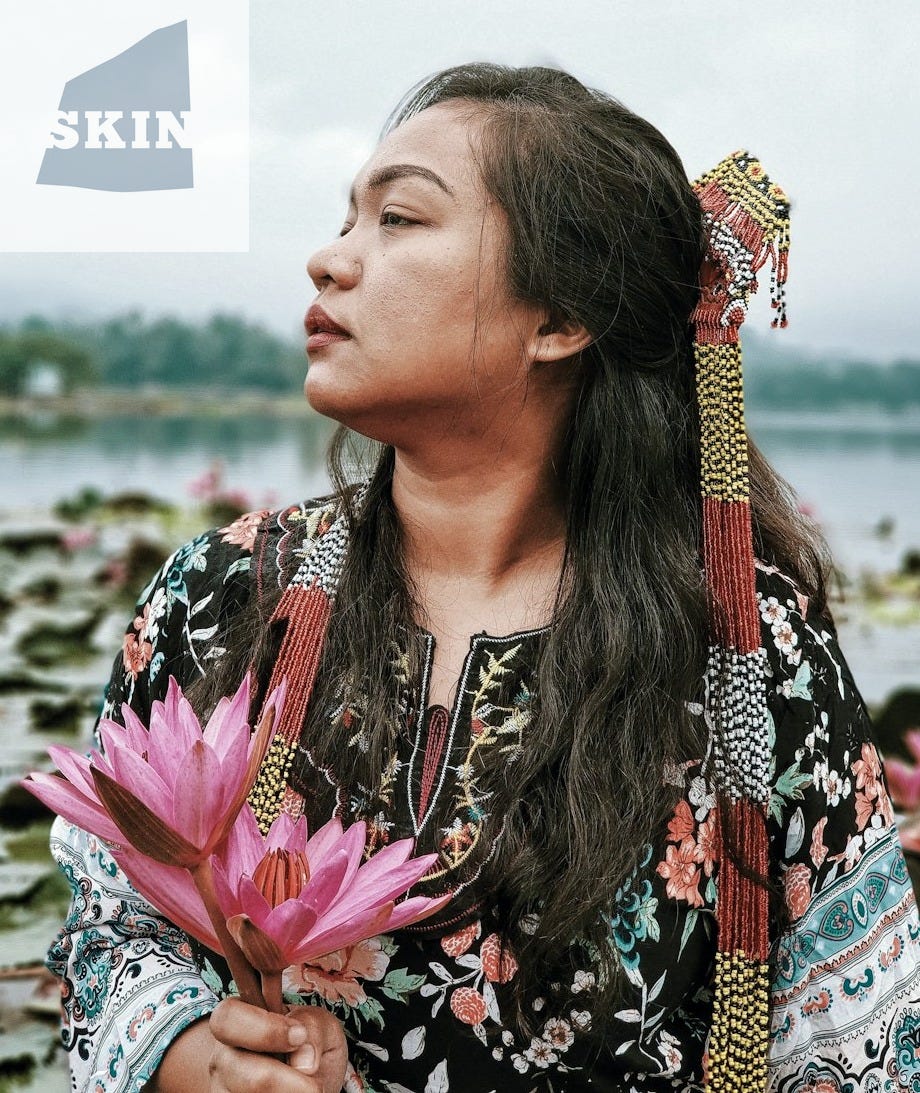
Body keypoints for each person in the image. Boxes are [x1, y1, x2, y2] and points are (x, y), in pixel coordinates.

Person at [46, 62, 920, 1093]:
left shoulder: (745, 644)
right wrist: (182, 1049)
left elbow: (860, 1039)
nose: (329, 261)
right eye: (347, 219)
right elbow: (106, 922)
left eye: (399, 219)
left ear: (558, 318)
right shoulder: (223, 591)